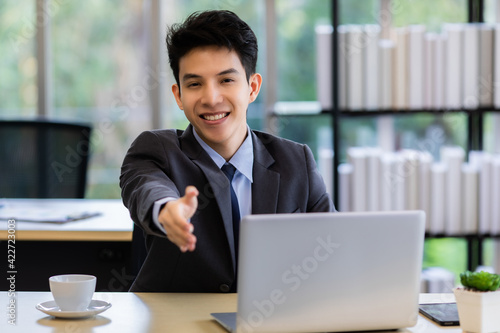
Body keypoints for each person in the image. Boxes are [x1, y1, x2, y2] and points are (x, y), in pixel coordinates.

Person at [120, 9, 335, 293]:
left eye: (226, 80)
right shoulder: (156, 150)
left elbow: (333, 250)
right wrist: (167, 211)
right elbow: (147, 188)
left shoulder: (297, 162)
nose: (211, 98)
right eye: (195, 84)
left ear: (252, 87)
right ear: (179, 96)